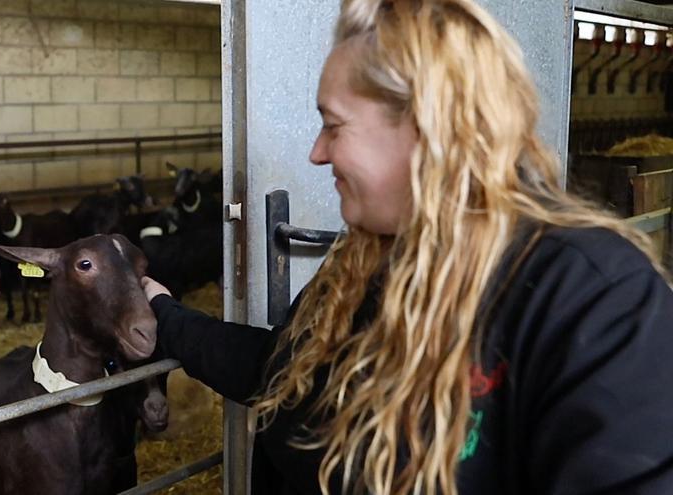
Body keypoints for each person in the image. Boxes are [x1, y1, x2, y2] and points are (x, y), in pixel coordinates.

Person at [141, 0, 673, 493]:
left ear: (427, 128)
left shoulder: (592, 298)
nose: (316, 152)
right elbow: (282, 375)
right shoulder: (361, 261)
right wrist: (165, 317)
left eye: (333, 126)